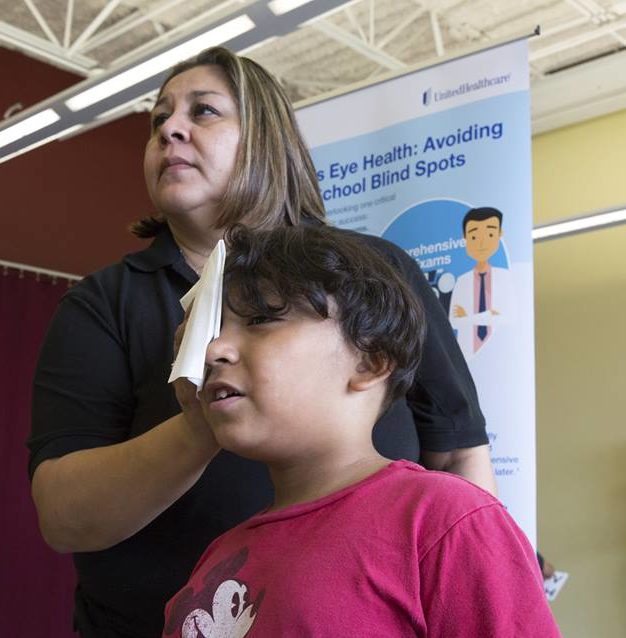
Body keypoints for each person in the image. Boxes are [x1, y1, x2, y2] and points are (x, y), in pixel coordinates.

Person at [28, 47, 494, 638]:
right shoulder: (103, 305)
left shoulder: (373, 273)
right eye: (158, 120)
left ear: (266, 138)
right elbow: (66, 518)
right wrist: (203, 422)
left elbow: (456, 453)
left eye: (203, 112)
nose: (169, 128)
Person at [162, 223, 561, 637]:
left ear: (370, 362)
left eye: (262, 318)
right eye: (213, 331)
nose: (213, 350)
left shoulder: (442, 520)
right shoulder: (221, 557)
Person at [450, 206, 514, 359]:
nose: (481, 243)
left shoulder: (506, 277)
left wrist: (467, 318)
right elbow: (453, 322)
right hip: (468, 357)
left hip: (501, 355)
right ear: (465, 238)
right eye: (474, 237)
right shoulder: (462, 281)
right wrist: (488, 315)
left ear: (500, 234)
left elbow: (509, 317)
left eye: (490, 234)